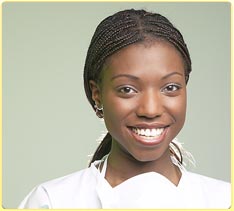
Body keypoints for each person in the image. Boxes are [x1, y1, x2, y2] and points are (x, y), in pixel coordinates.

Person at [18, 9, 230, 209]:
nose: (150, 109)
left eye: (170, 87)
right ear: (97, 94)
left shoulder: (222, 199)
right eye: (127, 89)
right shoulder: (52, 201)